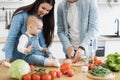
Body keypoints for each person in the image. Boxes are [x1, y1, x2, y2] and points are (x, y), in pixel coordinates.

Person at [0, 0, 57, 66]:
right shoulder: (20, 16)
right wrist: (8, 57)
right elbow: (11, 38)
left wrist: (48, 54)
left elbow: (41, 40)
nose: (44, 12)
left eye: (48, 10)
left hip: (33, 57)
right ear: (37, 4)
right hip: (19, 57)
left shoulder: (40, 19)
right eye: (43, 8)